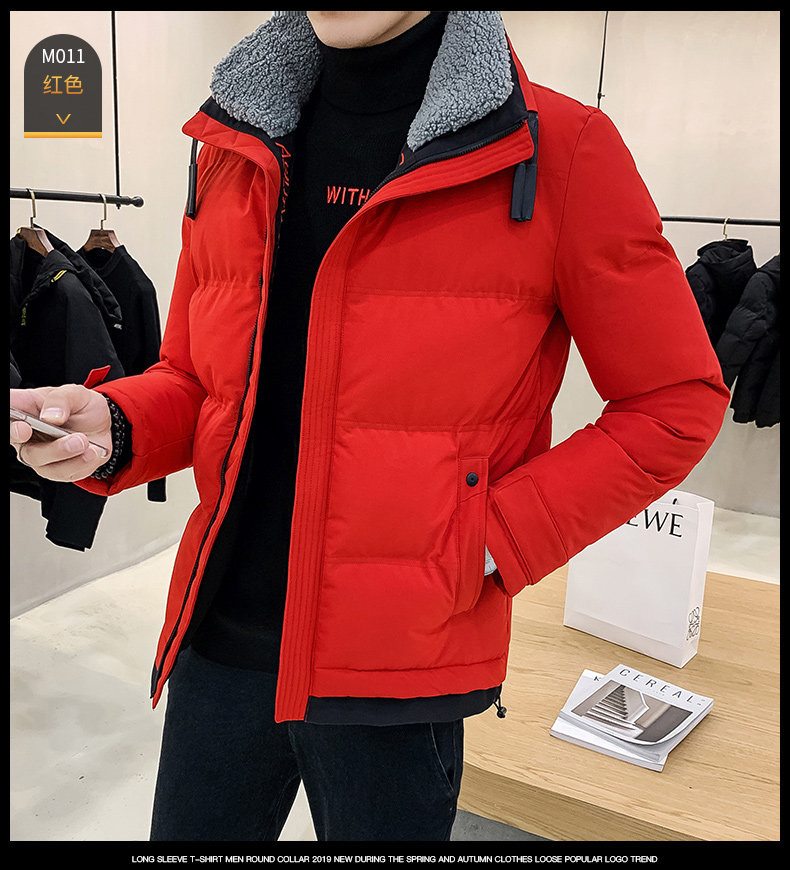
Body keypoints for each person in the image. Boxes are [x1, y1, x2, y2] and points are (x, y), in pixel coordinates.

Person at [9, 11, 730, 842]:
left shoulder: (561, 150)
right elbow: (202, 381)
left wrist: (493, 536)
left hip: (398, 672)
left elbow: (675, 400)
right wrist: (119, 422)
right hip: (219, 643)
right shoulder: (234, 140)